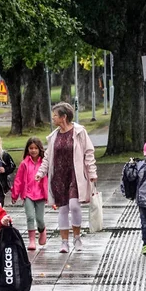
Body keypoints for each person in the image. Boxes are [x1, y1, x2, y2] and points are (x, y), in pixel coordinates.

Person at [35, 102, 97, 254]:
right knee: (63, 209)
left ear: (63, 117)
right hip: (59, 176)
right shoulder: (53, 136)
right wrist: (41, 172)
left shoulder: (79, 132)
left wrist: (92, 173)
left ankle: (77, 237)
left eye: (55, 115)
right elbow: (48, 157)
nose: (53, 118)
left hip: (75, 175)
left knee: (75, 206)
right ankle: (64, 242)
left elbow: (88, 153)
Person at [11, 137, 48, 250]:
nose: (33, 150)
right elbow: (18, 180)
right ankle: (32, 240)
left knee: (40, 219)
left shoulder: (44, 163)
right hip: (28, 195)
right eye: (31, 148)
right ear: (27, 149)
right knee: (30, 217)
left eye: (36, 148)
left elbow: (49, 179)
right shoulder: (24, 164)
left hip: (41, 195)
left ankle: (42, 230)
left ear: (40, 149)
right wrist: (15, 194)